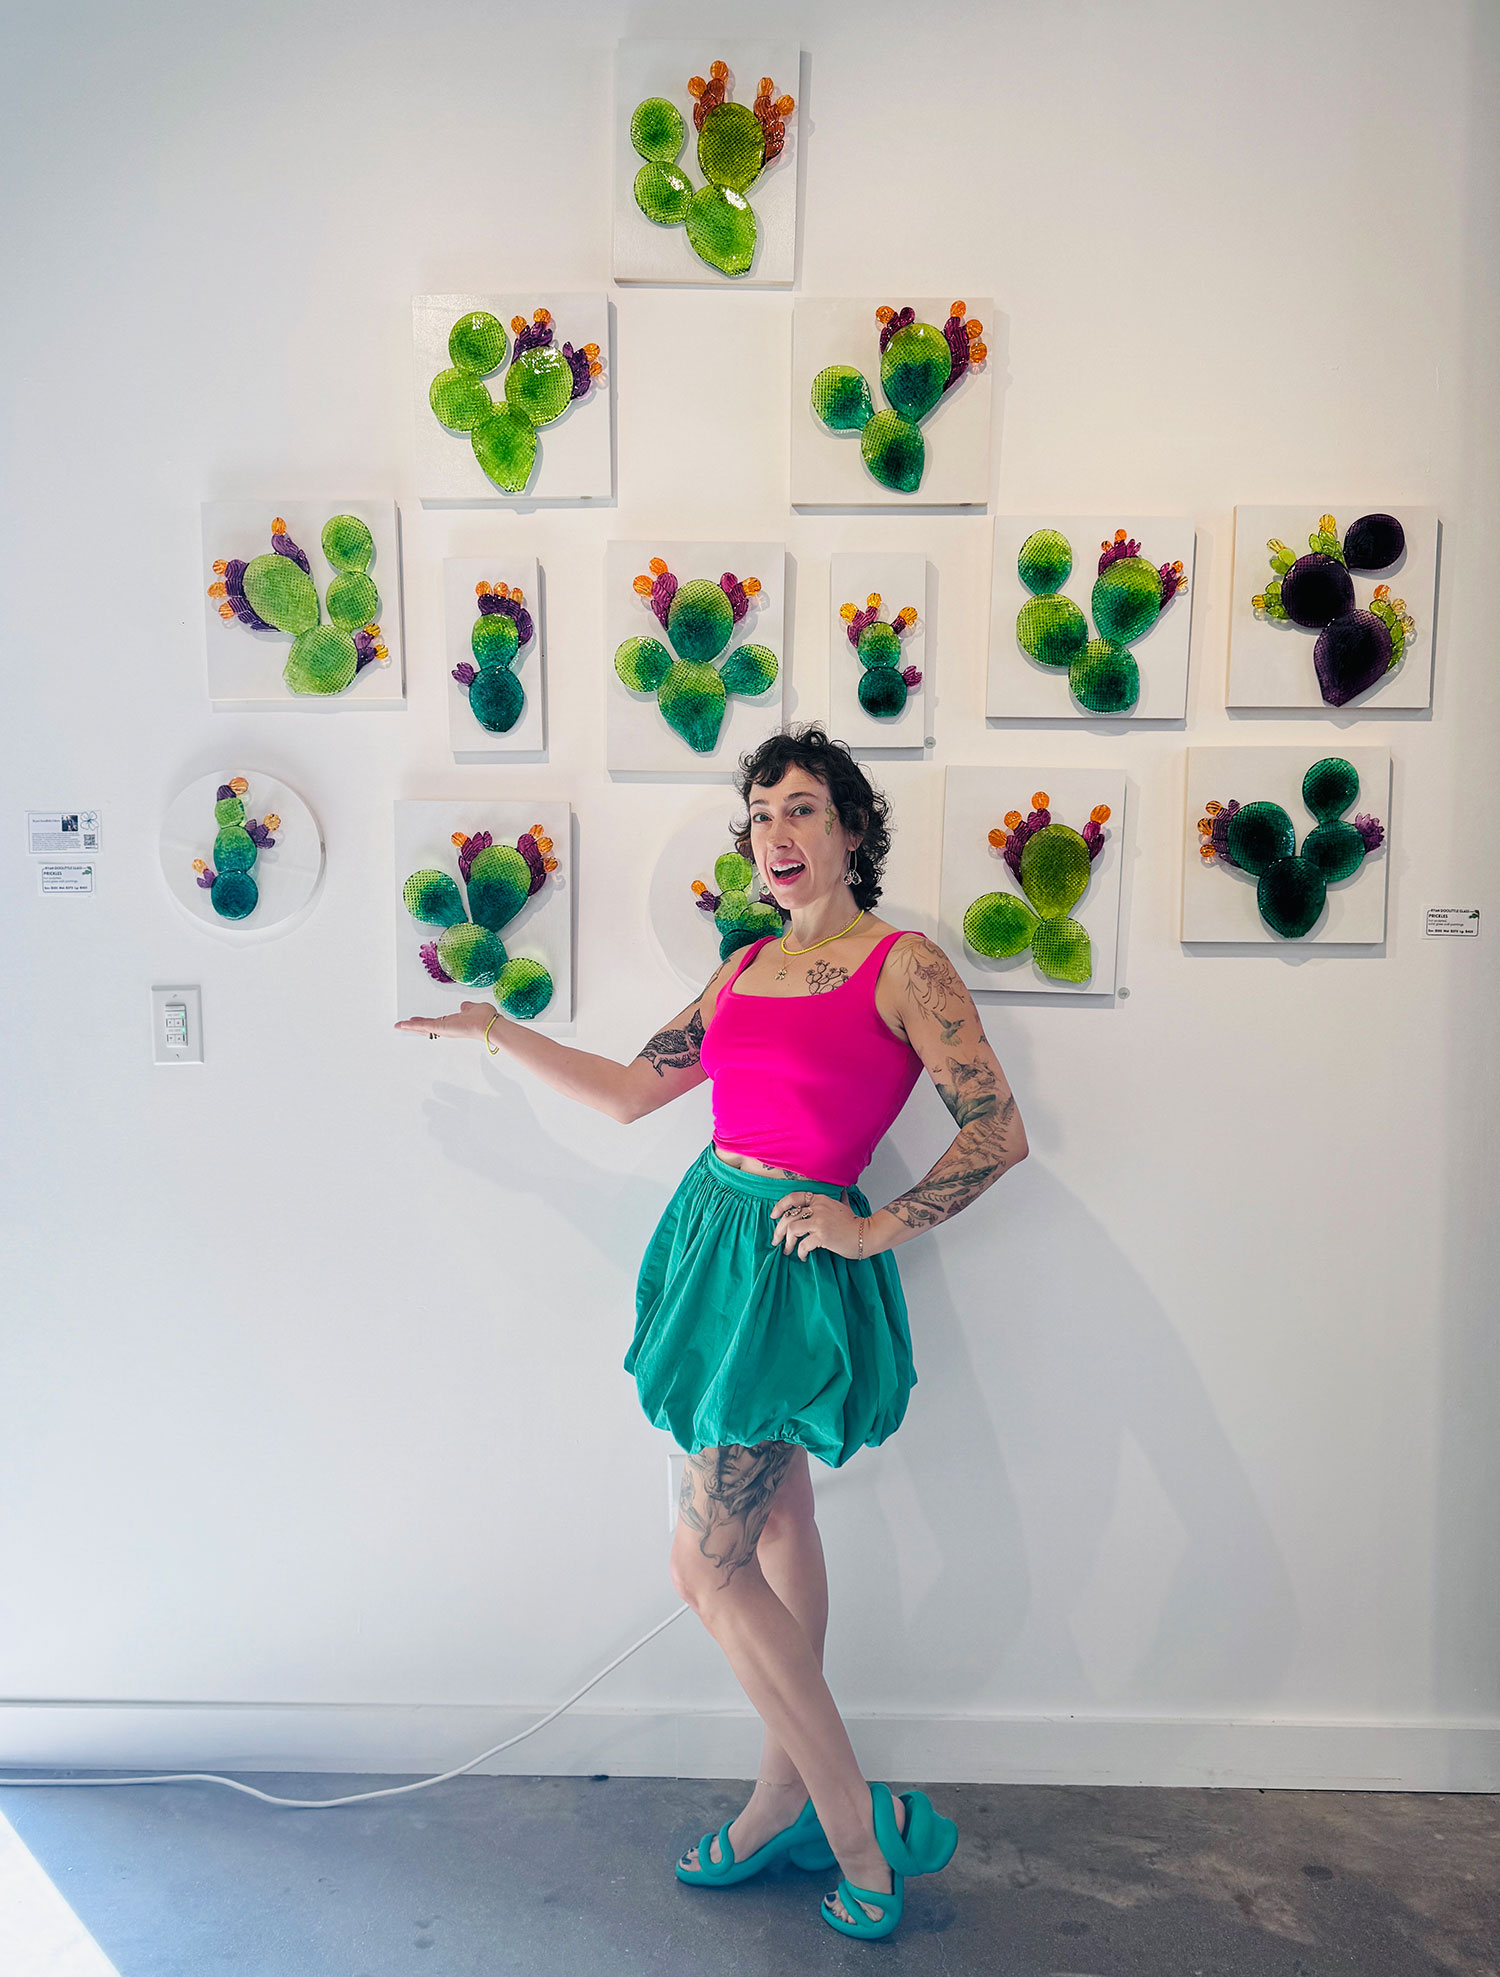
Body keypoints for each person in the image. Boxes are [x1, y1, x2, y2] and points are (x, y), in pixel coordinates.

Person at [396, 723, 1029, 1940]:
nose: (777, 833)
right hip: (711, 1247)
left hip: (790, 1271)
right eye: (762, 815)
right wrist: (495, 1029)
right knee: (776, 1526)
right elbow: (634, 1092)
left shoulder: (903, 966)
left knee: (704, 1568)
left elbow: (996, 1129)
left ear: (851, 828)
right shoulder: (742, 967)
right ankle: (781, 1802)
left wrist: (874, 1226)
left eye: (802, 808)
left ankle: (859, 1827)